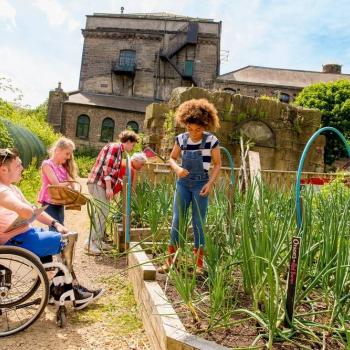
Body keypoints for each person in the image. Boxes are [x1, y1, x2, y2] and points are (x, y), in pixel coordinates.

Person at [0, 148, 103, 309]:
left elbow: (34, 211)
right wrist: (25, 210)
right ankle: (70, 289)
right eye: (18, 165)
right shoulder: (3, 190)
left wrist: (56, 224)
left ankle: (58, 287)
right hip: (18, 242)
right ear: (4, 169)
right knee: (68, 238)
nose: (22, 168)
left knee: (59, 233)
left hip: (24, 236)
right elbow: (24, 209)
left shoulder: (12, 188)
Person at [158, 99, 222, 274]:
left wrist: (210, 184)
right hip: (183, 184)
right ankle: (169, 261)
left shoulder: (211, 140)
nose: (193, 133)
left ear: (205, 125)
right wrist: (177, 169)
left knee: (198, 222)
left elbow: (217, 164)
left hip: (201, 184)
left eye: (198, 129)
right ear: (185, 124)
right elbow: (171, 158)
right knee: (177, 219)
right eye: (190, 129)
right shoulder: (181, 139)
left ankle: (199, 265)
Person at [86, 129, 139, 255]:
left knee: (104, 212)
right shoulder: (115, 148)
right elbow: (106, 168)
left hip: (102, 184)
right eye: (133, 144)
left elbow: (113, 170)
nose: (133, 147)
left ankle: (97, 241)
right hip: (98, 183)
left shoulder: (120, 152)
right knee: (100, 212)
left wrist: (117, 183)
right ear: (128, 141)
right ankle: (90, 243)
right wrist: (109, 188)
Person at [38, 137, 78, 230]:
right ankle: (53, 244)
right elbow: (56, 185)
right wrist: (69, 183)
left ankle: (57, 244)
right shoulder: (47, 164)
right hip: (49, 202)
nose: (68, 157)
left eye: (70, 154)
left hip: (59, 201)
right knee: (55, 228)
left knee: (61, 225)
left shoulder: (62, 167)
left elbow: (72, 180)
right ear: (58, 150)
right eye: (67, 153)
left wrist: (76, 191)